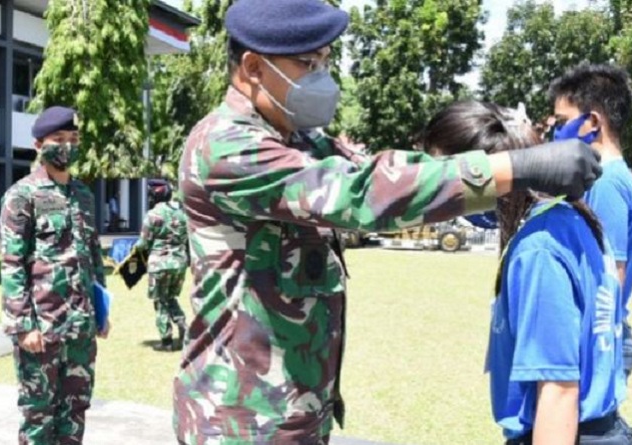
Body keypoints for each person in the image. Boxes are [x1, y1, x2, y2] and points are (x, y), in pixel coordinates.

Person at [174, 0, 602, 442]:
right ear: (253, 68)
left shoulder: (301, 139)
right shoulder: (226, 147)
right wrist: (514, 167)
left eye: (325, 62)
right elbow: (361, 193)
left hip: (293, 415)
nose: (323, 76)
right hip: (237, 422)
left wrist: (490, 170)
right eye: (308, 64)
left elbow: (386, 170)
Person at [422, 101, 632, 445]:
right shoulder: (568, 219)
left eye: (447, 179)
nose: (441, 194)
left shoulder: (539, 247)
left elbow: (559, 390)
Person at [0, 106, 109, 445]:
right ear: (38, 145)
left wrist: (101, 311)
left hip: (80, 327)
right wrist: (23, 325)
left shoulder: (83, 195)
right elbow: (12, 263)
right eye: (58, 139)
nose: (66, 146)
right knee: (38, 416)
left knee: (75, 412)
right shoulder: (22, 196)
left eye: (73, 139)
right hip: (42, 327)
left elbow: (93, 257)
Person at [550, 63, 632, 378]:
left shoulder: (605, 182)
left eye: (561, 122)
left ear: (592, 122)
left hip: (597, 342)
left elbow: (608, 278)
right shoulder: (601, 177)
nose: (555, 133)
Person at [133, 179, 190, 352]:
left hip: (159, 264)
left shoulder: (153, 215)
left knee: (160, 302)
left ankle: (166, 341)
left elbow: (143, 243)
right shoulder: (182, 213)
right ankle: (182, 325)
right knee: (171, 298)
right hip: (179, 263)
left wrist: (133, 257)